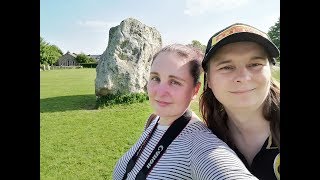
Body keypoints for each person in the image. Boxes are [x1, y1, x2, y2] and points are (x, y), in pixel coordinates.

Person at [113, 44, 258, 179]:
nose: (160, 92)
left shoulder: (200, 145)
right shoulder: (154, 120)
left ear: (195, 90)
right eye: (155, 78)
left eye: (175, 82)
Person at [200, 23, 280, 180]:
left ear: (270, 71)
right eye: (226, 67)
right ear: (208, 80)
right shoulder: (205, 141)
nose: (243, 77)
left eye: (255, 64)